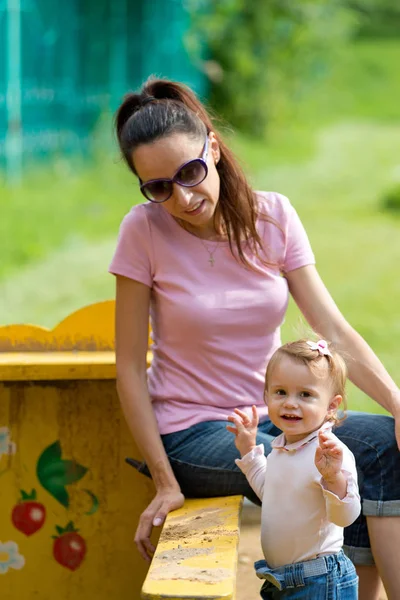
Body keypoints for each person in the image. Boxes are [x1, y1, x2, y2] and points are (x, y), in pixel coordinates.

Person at [109, 76, 400, 600]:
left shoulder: (274, 216)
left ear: (213, 149)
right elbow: (129, 366)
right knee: (310, 468)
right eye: (159, 187)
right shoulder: (143, 230)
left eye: (190, 172)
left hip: (277, 414)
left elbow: (331, 329)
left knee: (379, 445)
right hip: (196, 432)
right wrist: (164, 480)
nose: (183, 196)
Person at [227, 338, 360, 599]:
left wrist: (333, 479)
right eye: (280, 392)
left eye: (306, 394)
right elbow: (270, 493)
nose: (290, 403)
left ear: (331, 406)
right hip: (281, 580)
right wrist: (248, 449)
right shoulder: (282, 448)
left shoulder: (329, 453)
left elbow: (346, 517)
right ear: (266, 395)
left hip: (319, 581)